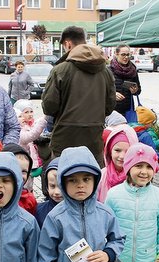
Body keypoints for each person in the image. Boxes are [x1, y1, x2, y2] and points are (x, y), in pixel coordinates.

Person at [42, 26, 116, 167]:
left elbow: (49, 107)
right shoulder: (105, 72)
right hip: (94, 140)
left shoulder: (60, 70)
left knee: (63, 182)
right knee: (92, 183)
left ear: (68, 44)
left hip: (64, 140)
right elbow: (110, 106)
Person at [97, 124, 139, 262]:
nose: (122, 156)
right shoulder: (102, 177)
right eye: (117, 151)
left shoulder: (137, 177)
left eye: (127, 150)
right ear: (108, 152)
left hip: (131, 244)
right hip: (106, 244)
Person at [14, 99, 47, 189]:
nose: (30, 114)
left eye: (31, 111)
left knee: (30, 184)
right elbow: (30, 136)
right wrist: (43, 122)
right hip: (23, 163)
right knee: (25, 184)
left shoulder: (28, 125)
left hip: (31, 163)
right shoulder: (18, 130)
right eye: (26, 112)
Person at [109, 43, 141, 117]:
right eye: (123, 54)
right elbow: (100, 90)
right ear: (116, 54)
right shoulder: (108, 70)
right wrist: (112, 94)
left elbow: (138, 90)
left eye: (128, 55)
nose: (126, 57)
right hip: (111, 110)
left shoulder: (133, 70)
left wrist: (135, 91)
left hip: (128, 110)